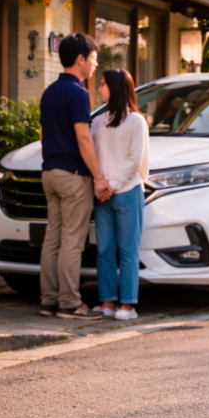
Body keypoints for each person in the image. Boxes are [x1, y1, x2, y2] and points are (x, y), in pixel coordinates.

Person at [38, 33, 113, 319]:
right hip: (73, 175)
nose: (95, 65)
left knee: (52, 239)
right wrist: (99, 177)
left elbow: (44, 136)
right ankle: (69, 304)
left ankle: (49, 301)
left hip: (50, 172)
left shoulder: (50, 92)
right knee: (72, 240)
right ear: (80, 59)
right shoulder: (78, 93)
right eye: (93, 58)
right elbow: (84, 138)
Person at [92, 69, 149, 321]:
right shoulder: (97, 121)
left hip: (123, 192)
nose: (98, 89)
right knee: (104, 250)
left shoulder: (136, 121)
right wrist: (102, 184)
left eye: (102, 84)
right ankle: (107, 301)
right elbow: (93, 158)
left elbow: (134, 160)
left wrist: (107, 185)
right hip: (106, 192)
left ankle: (127, 305)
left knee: (127, 250)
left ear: (114, 88)